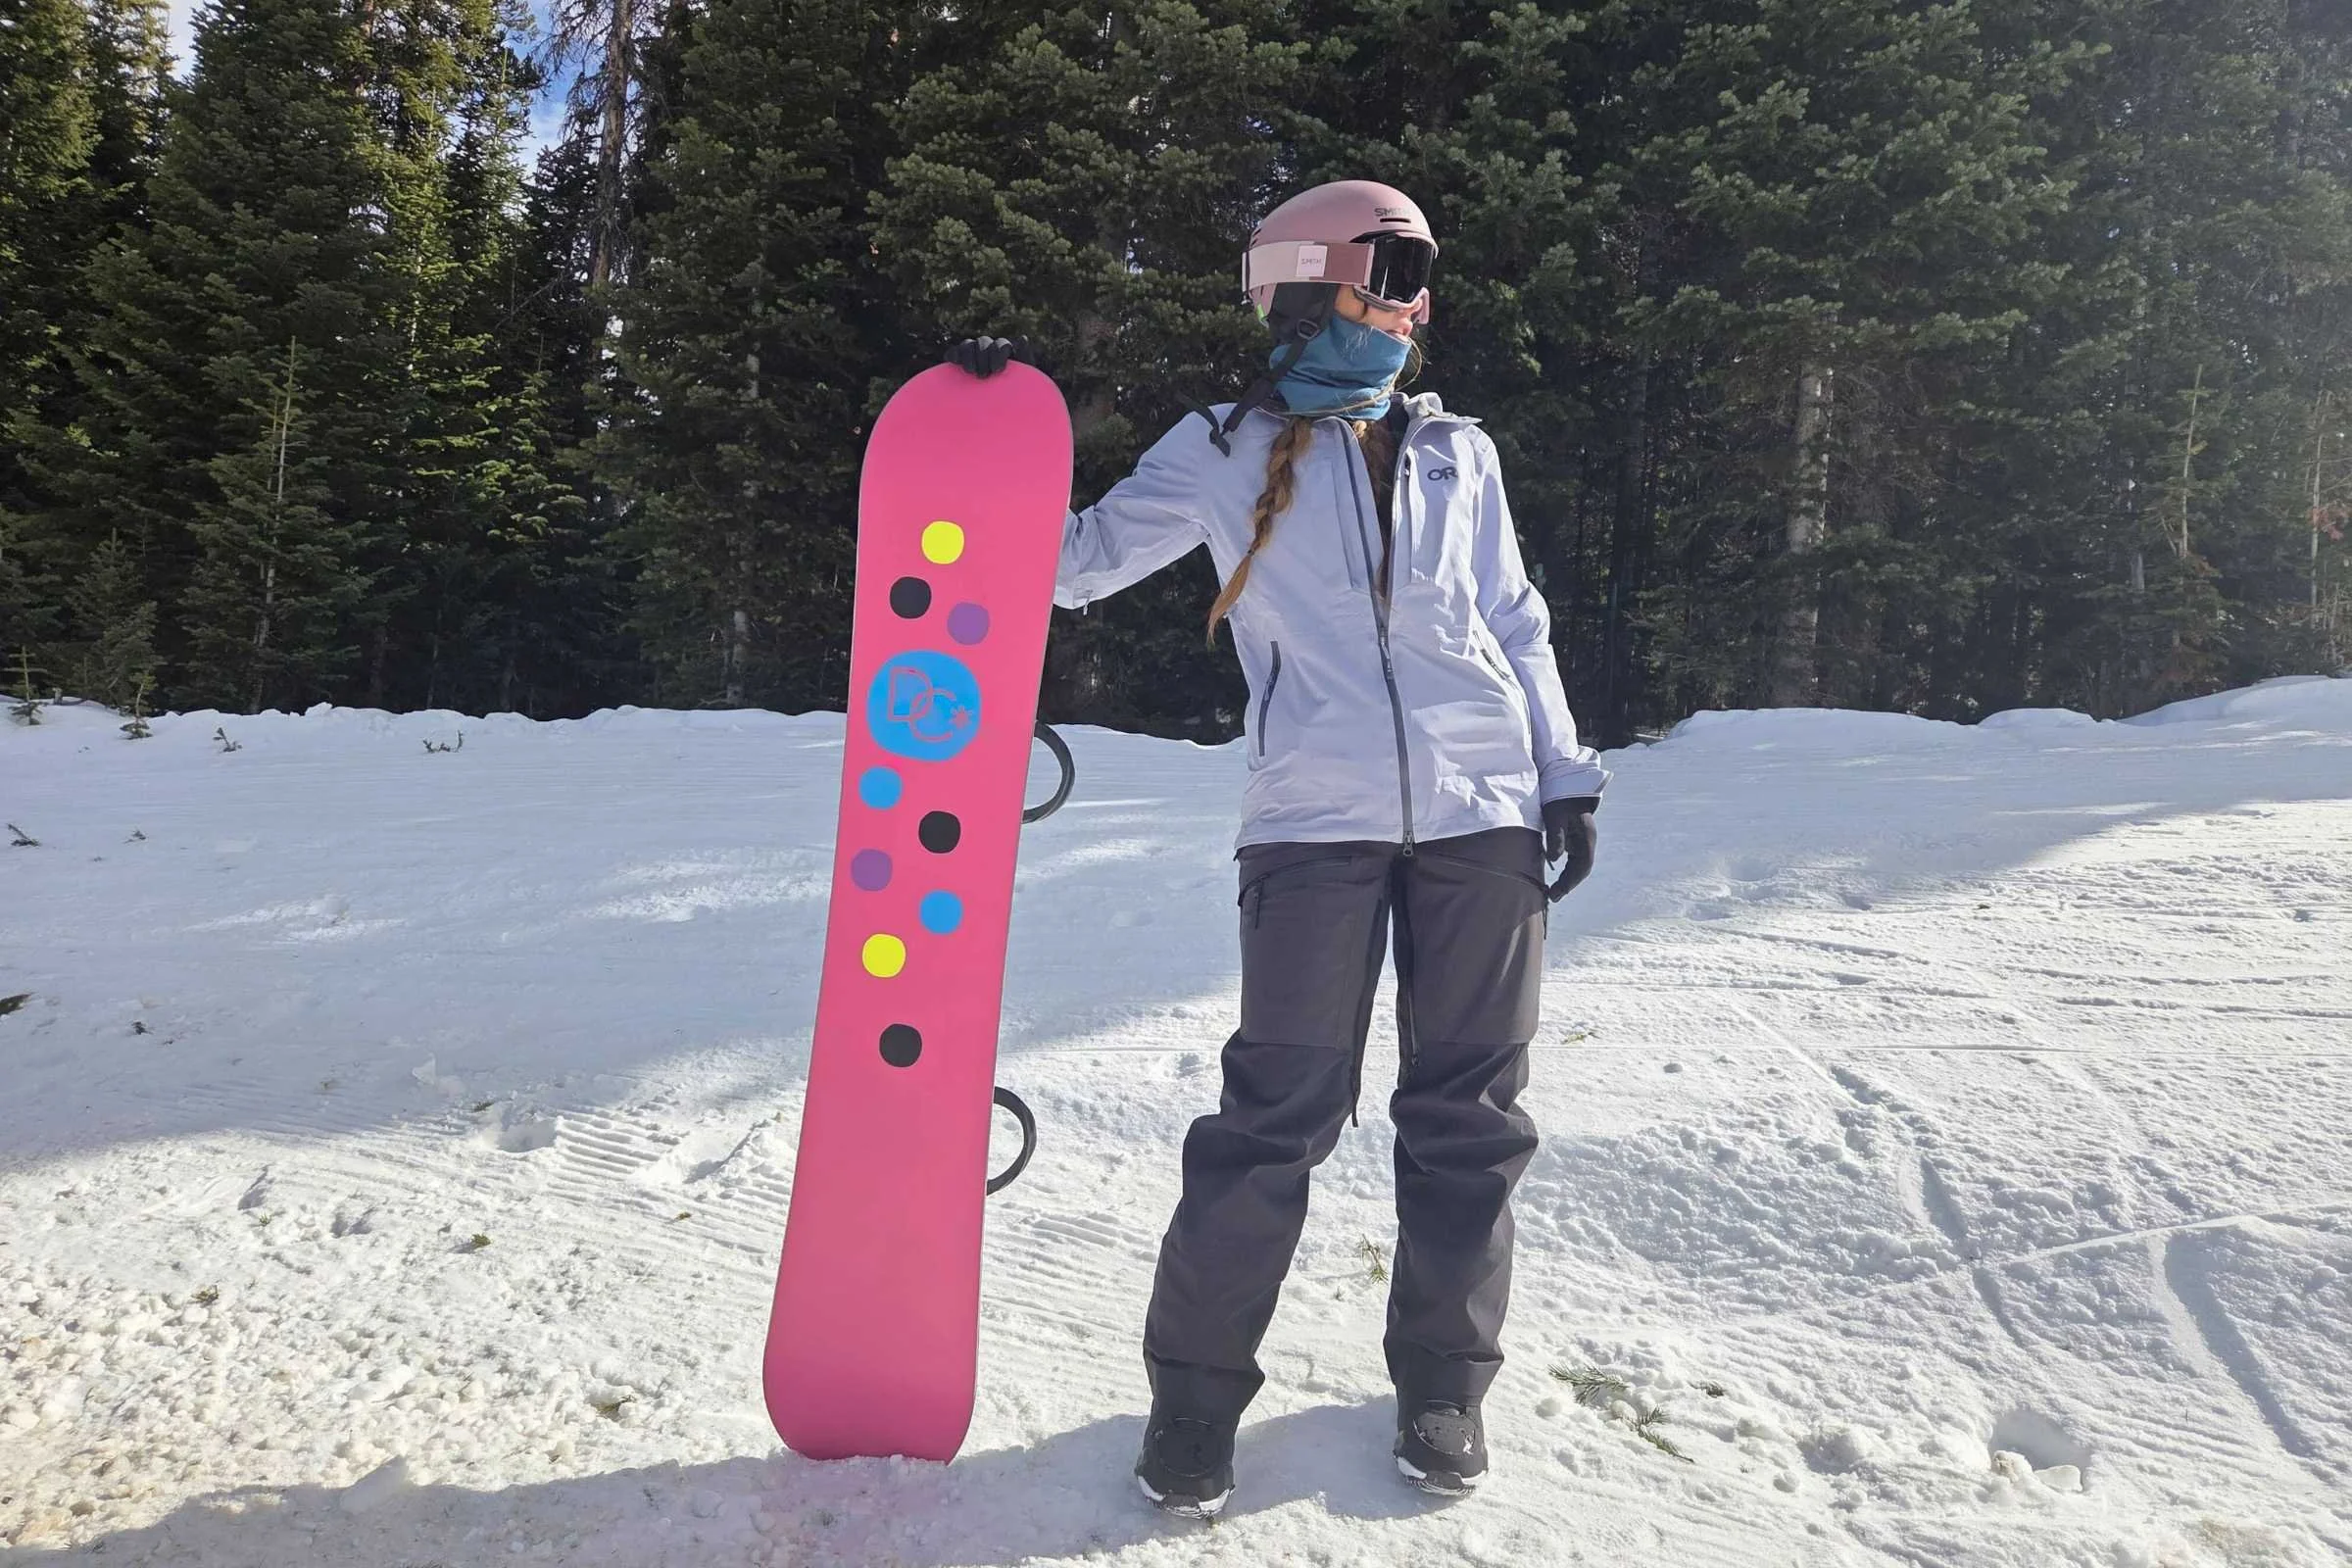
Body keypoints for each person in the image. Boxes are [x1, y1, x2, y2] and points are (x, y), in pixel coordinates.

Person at [945, 178, 1607, 1516]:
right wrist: (976, 444)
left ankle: (1442, 1384)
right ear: (1319, 282)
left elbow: (1513, 621)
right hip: (1314, 825)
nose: (1413, 307)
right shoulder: (1216, 449)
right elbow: (1072, 565)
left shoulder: (1454, 451)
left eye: (1419, 280)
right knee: (1273, 1120)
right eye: (1395, 272)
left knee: (1469, 1118)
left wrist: (1562, 774)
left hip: (1483, 821)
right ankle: (1192, 1403)